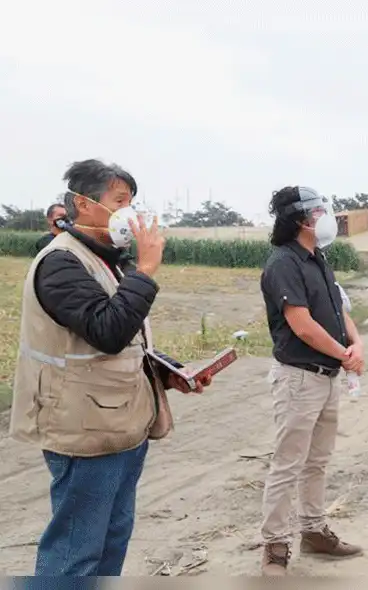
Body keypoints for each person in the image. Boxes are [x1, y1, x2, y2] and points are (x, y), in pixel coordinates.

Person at [9, 159, 212, 576]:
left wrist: (169, 370)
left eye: (132, 201)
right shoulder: (61, 263)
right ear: (84, 205)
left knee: (112, 539)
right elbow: (108, 330)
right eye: (120, 201)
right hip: (83, 429)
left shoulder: (106, 259)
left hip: (121, 423)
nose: (130, 211)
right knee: (76, 551)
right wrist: (148, 270)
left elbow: (128, 337)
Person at [259, 186, 365, 575]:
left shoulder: (318, 258)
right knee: (288, 464)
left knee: (317, 461)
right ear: (301, 219)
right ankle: (274, 546)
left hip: (328, 377)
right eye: (320, 210)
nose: (327, 216)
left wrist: (356, 344)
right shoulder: (283, 264)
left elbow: (339, 309)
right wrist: (344, 354)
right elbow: (302, 326)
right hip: (299, 379)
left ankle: (314, 531)